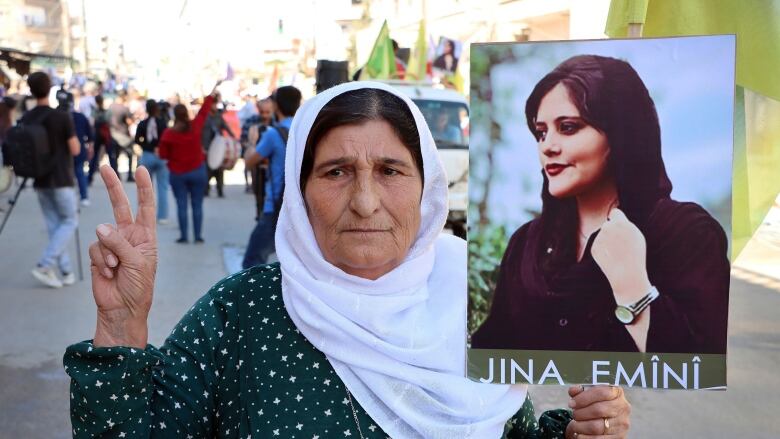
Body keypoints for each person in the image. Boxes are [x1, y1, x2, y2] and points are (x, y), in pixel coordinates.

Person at [64, 82, 631, 438]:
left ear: (427, 189)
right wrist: (121, 325)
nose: (365, 203)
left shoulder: (478, 303)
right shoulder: (240, 313)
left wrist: (583, 433)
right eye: (336, 172)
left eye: (390, 171)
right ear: (301, 188)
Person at [472, 55, 730, 355]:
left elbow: (698, 364)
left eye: (568, 127)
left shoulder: (686, 234)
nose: (547, 146)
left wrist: (633, 286)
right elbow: (491, 356)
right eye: (541, 132)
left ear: (621, 133)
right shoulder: (526, 245)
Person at [24, 72, 82, 288]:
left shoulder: (28, 117)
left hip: (40, 179)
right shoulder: (61, 116)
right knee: (69, 221)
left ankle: (66, 271)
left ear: (30, 90)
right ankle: (45, 264)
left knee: (55, 225)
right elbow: (75, 149)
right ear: (50, 89)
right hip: (61, 178)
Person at [241, 86, 301, 269]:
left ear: (276, 105)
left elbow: (249, 161)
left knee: (252, 262)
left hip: (275, 207)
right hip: (300, 206)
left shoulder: (273, 134)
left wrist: (252, 141)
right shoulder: (305, 130)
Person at [157, 83, 218, 243]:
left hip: (178, 173)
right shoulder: (195, 126)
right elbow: (204, 111)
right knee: (197, 204)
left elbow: (163, 155)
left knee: (181, 205)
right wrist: (211, 94)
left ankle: (184, 236)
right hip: (197, 171)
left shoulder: (168, 134)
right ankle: (198, 236)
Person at [57, 90, 94, 207]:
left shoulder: (57, 116)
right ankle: (83, 197)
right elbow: (90, 135)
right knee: (79, 173)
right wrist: (90, 148)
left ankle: (74, 198)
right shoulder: (80, 117)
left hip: (64, 151)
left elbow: (90, 135)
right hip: (75, 150)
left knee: (71, 173)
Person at [135, 99, 169, 224]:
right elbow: (166, 139)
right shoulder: (163, 123)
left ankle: (146, 216)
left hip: (148, 155)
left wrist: (147, 146)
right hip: (160, 155)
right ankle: (163, 216)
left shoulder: (143, 123)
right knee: (163, 187)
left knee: (146, 187)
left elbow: (137, 140)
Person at [240, 97, 274, 215]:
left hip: (274, 166)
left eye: (267, 112)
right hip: (257, 165)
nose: (264, 115)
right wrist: (252, 144)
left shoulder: (277, 123)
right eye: (262, 112)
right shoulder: (251, 122)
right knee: (259, 196)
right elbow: (243, 140)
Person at [201, 94, 236, 198]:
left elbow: (226, 127)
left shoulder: (218, 117)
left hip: (218, 147)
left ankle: (220, 189)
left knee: (219, 170)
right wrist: (201, 146)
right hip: (207, 147)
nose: (215, 106)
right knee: (207, 170)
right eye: (213, 104)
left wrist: (233, 138)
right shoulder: (204, 117)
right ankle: (206, 189)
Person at [87, 94, 116, 184]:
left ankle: (90, 177)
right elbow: (112, 123)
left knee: (95, 156)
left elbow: (91, 123)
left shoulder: (94, 111)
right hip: (106, 134)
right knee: (111, 156)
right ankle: (115, 176)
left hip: (98, 134)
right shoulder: (108, 112)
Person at [109, 89, 137, 182]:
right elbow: (129, 121)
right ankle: (129, 175)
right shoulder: (124, 108)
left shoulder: (111, 107)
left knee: (115, 156)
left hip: (113, 134)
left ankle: (116, 175)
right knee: (130, 154)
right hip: (123, 135)